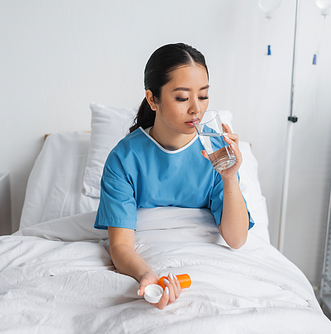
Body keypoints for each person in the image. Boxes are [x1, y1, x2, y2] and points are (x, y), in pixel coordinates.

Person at [94, 43, 254, 310]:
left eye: (203, 96)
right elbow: (120, 244)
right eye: (182, 98)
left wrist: (229, 177)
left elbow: (236, 240)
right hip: (149, 259)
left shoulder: (215, 150)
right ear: (152, 99)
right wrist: (148, 276)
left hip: (207, 266)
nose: (196, 109)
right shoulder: (124, 158)